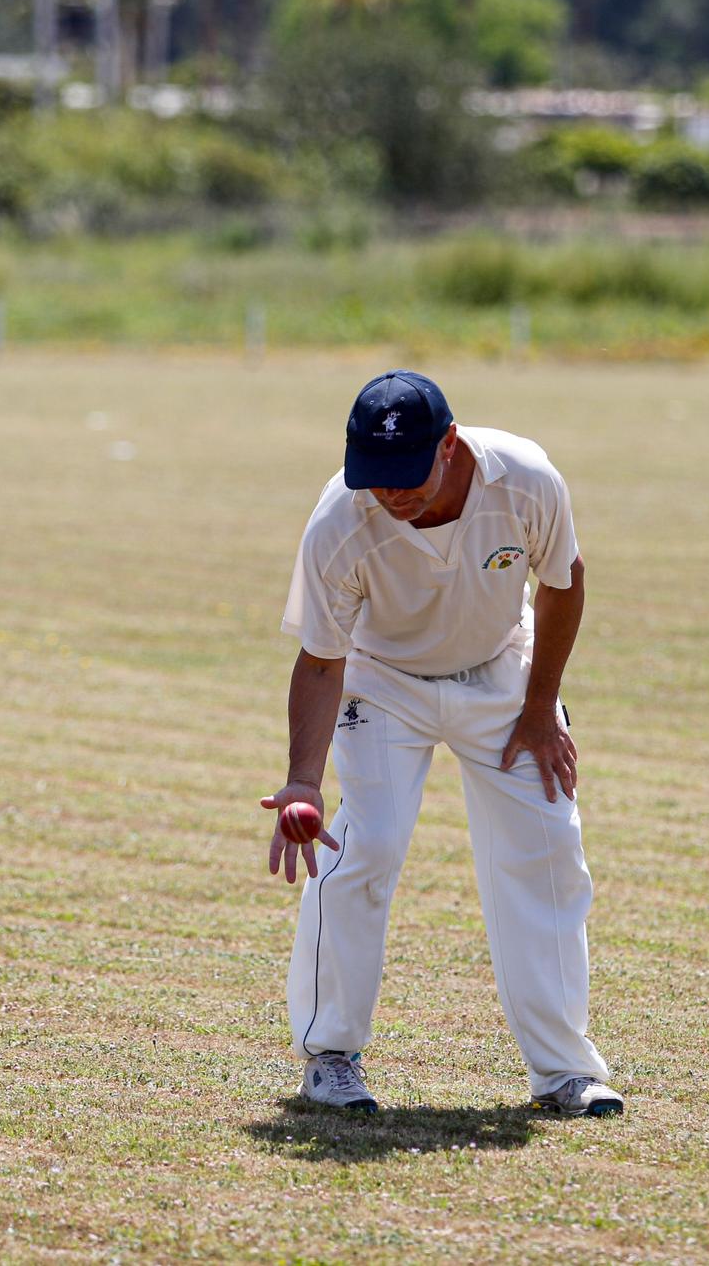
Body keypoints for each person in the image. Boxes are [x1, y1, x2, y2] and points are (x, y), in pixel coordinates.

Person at [259, 370, 621, 1119]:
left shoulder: (524, 479)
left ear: (449, 444)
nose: (389, 493)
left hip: (502, 670)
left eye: (405, 476)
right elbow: (323, 660)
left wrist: (540, 702)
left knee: (547, 848)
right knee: (368, 846)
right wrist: (302, 778)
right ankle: (330, 1056)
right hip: (383, 680)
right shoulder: (339, 521)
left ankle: (564, 1072)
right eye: (375, 477)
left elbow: (563, 580)